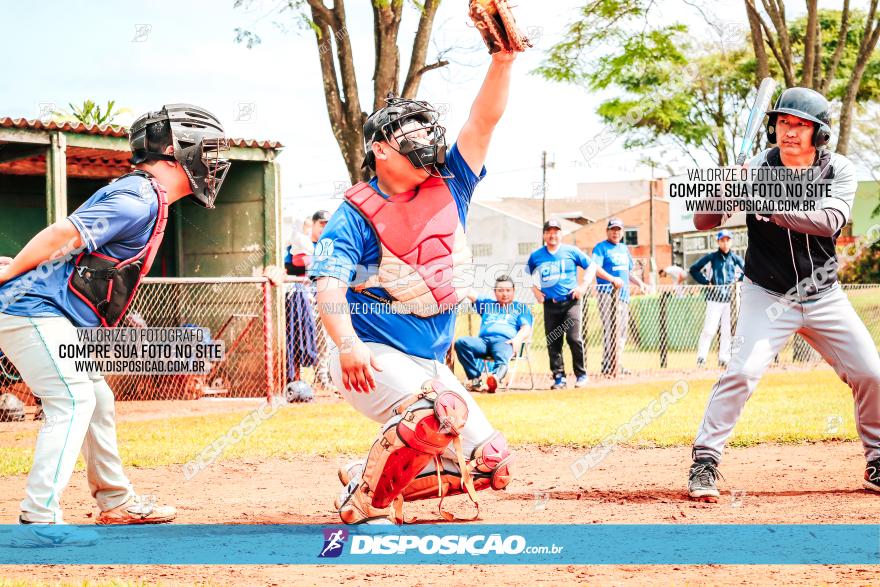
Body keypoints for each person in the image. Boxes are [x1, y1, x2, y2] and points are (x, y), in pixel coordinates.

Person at [0, 104, 230, 545]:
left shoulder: (148, 198)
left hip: (50, 313)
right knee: (72, 400)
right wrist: (10, 274)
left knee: (97, 398)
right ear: (174, 152)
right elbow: (62, 234)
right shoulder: (137, 197)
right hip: (30, 310)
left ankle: (115, 502)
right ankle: (38, 522)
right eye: (206, 150)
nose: (212, 161)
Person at [311, 50, 519, 524]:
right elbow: (328, 287)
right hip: (369, 357)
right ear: (381, 149)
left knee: (491, 464)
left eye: (427, 130)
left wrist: (503, 60)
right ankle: (366, 506)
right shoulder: (355, 215)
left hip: (427, 363)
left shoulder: (451, 183)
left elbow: (482, 122)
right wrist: (347, 345)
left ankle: (366, 473)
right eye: (411, 133)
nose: (426, 139)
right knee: (431, 415)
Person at [687, 87, 880, 501]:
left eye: (801, 125)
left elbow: (828, 222)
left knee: (871, 373)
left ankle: (877, 459)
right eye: (783, 122)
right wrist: (724, 186)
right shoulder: (756, 167)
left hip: (824, 294)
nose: (789, 131)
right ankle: (705, 461)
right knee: (741, 372)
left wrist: (761, 196)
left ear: (820, 134)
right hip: (767, 294)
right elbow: (704, 221)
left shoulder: (839, 170)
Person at [528, 220, 619, 389]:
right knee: (553, 341)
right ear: (544, 235)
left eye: (556, 231)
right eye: (549, 231)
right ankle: (559, 378)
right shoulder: (536, 256)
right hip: (550, 304)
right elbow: (529, 274)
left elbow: (592, 266)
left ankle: (581, 375)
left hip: (571, 302)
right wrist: (536, 291)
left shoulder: (571, 251)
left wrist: (583, 285)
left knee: (573, 338)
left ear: (561, 234)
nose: (552, 235)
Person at [454, 276, 533, 393]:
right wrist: (455, 278)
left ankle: (494, 379)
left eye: (508, 290)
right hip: (484, 343)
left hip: (505, 342)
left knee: (502, 356)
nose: (504, 293)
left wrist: (517, 339)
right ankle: (475, 379)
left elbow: (526, 328)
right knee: (461, 343)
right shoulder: (487, 304)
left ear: (513, 291)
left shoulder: (520, 308)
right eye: (500, 290)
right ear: (494, 292)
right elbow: (469, 292)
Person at [592, 218, 649, 377]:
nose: (616, 232)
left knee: (622, 331)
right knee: (611, 330)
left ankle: (616, 362)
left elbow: (627, 272)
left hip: (623, 295)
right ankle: (608, 364)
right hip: (607, 294)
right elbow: (595, 268)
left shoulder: (624, 248)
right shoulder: (601, 248)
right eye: (613, 229)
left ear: (622, 232)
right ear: (607, 231)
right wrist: (611, 280)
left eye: (618, 230)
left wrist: (639, 283)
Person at [689, 229, 745, 368]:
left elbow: (747, 270)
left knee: (727, 331)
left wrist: (738, 282)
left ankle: (724, 359)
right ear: (718, 242)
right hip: (714, 298)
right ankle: (701, 358)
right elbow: (693, 269)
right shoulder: (712, 257)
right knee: (709, 329)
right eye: (722, 240)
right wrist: (706, 282)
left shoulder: (735, 259)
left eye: (727, 240)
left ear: (731, 241)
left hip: (730, 300)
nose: (725, 243)